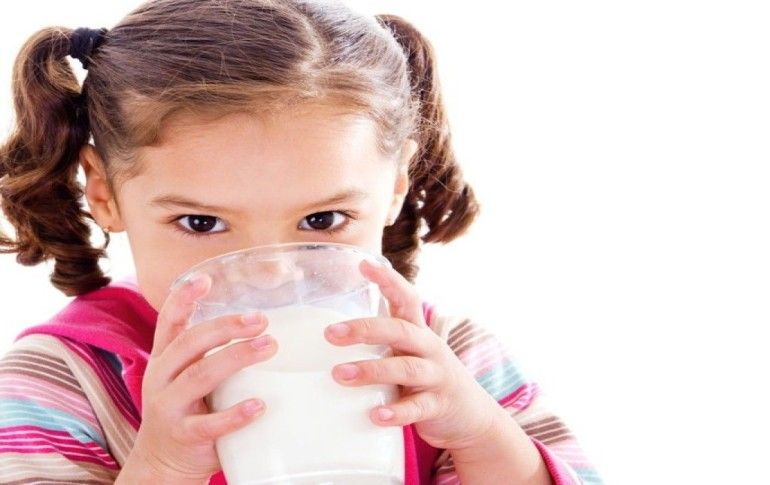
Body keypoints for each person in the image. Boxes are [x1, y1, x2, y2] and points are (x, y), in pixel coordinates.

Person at [0, 1, 602, 483]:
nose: (273, 276)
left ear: (395, 186)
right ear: (104, 194)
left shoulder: (448, 360)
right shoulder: (63, 379)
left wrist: (480, 436)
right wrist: (162, 466)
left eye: (322, 220)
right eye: (202, 223)